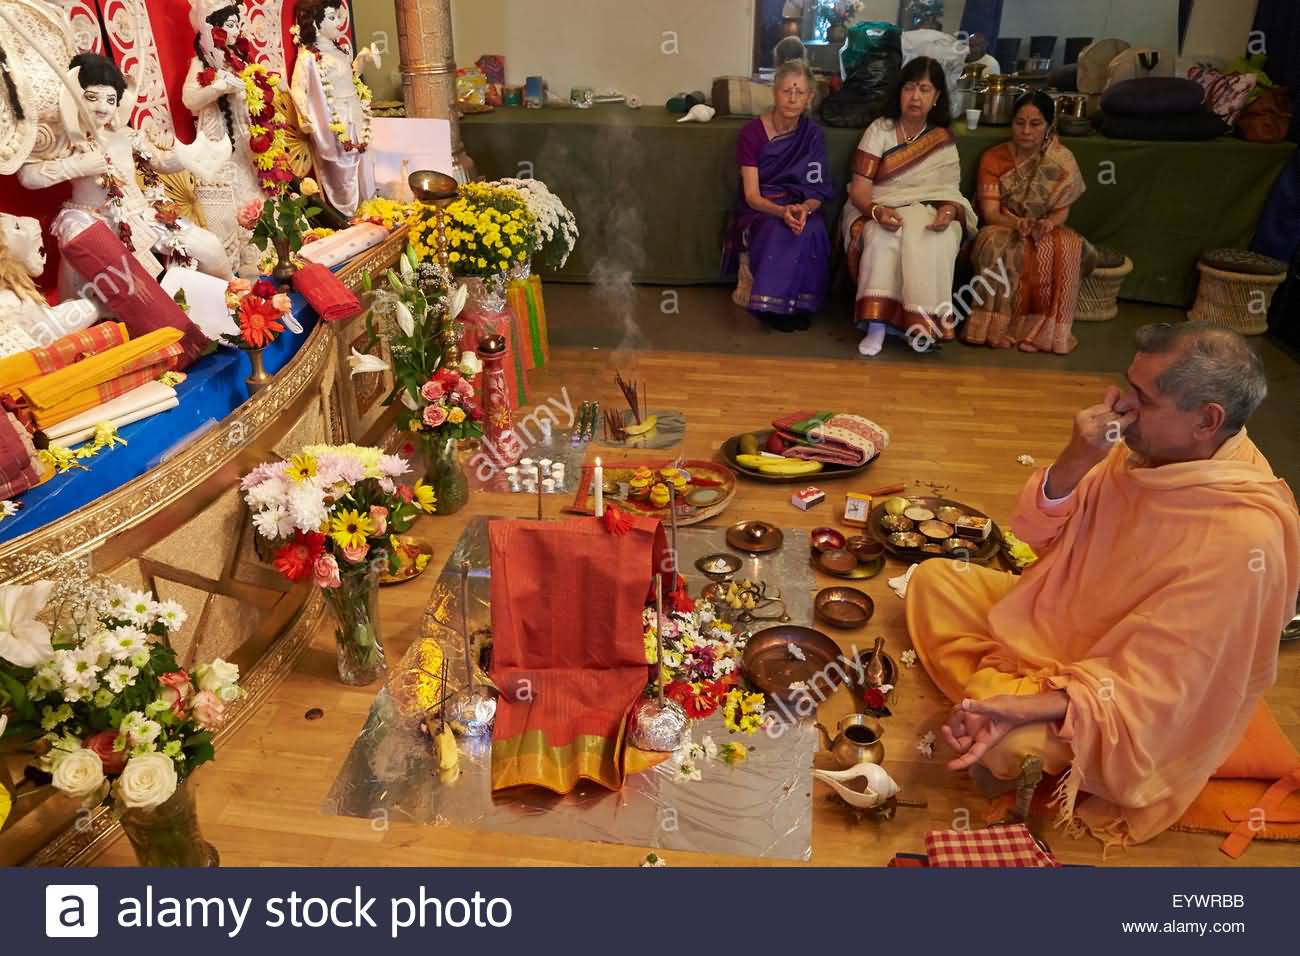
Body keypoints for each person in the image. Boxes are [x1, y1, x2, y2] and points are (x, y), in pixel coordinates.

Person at [906, 322, 1300, 850]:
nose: (1120, 407)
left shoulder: (1241, 536)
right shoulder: (1146, 448)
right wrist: (1074, 461)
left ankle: (1000, 704)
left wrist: (1037, 704)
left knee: (1007, 746)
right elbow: (1034, 536)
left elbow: (1158, 691)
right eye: (1128, 386)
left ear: (1207, 420)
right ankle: (994, 699)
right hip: (1060, 624)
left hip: (1122, 693)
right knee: (935, 579)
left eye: (1142, 398)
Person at [17, 52, 232, 300]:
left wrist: (186, 155)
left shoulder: (125, 135)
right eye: (92, 97)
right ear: (74, 97)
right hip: (92, 219)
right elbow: (28, 176)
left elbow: (159, 164)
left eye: (110, 99)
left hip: (143, 215)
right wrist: (76, 165)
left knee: (211, 247)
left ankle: (231, 297)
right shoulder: (67, 140)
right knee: (95, 273)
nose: (102, 107)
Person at [842, 56, 977, 356]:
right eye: (909, 88)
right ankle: (876, 325)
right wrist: (877, 212)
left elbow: (948, 192)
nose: (915, 97)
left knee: (936, 237)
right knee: (883, 237)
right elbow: (861, 189)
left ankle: (921, 326)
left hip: (927, 210)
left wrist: (949, 211)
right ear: (899, 92)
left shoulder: (942, 139)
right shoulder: (880, 130)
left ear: (937, 97)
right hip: (878, 205)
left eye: (925, 89)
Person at [962, 91, 1092, 354]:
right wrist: (1017, 225)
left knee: (1066, 246)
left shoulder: (1061, 160)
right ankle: (995, 330)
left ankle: (1042, 334)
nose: (1026, 131)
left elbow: (1060, 211)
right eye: (1019, 123)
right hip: (1002, 223)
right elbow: (989, 212)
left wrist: (1048, 224)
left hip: (1043, 225)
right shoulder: (994, 158)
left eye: (1035, 124)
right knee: (999, 246)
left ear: (1048, 126)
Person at [725, 59, 833, 333]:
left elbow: (817, 189)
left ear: (809, 98)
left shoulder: (812, 136)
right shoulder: (752, 133)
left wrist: (804, 210)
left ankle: (801, 305)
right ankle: (771, 306)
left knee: (814, 228)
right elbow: (751, 195)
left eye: (800, 92)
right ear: (774, 92)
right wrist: (781, 212)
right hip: (762, 207)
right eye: (787, 91)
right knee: (778, 229)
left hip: (800, 203)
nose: (793, 98)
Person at [290, 0, 380, 217]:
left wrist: (362, 60)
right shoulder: (309, 57)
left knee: (363, 161)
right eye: (332, 17)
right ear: (316, 25)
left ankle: (368, 208)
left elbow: (349, 76)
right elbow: (298, 88)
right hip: (335, 120)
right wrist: (305, 116)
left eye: (338, 16)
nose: (339, 22)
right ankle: (348, 214)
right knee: (343, 167)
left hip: (354, 115)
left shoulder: (341, 50)